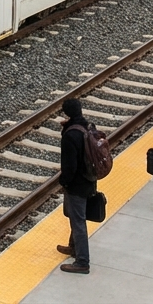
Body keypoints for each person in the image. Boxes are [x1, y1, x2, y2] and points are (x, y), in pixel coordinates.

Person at [56, 97, 96, 274]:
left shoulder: (70, 136)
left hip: (76, 184)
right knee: (76, 217)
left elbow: (69, 166)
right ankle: (73, 247)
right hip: (89, 179)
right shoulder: (87, 127)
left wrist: (63, 182)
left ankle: (82, 261)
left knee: (78, 221)